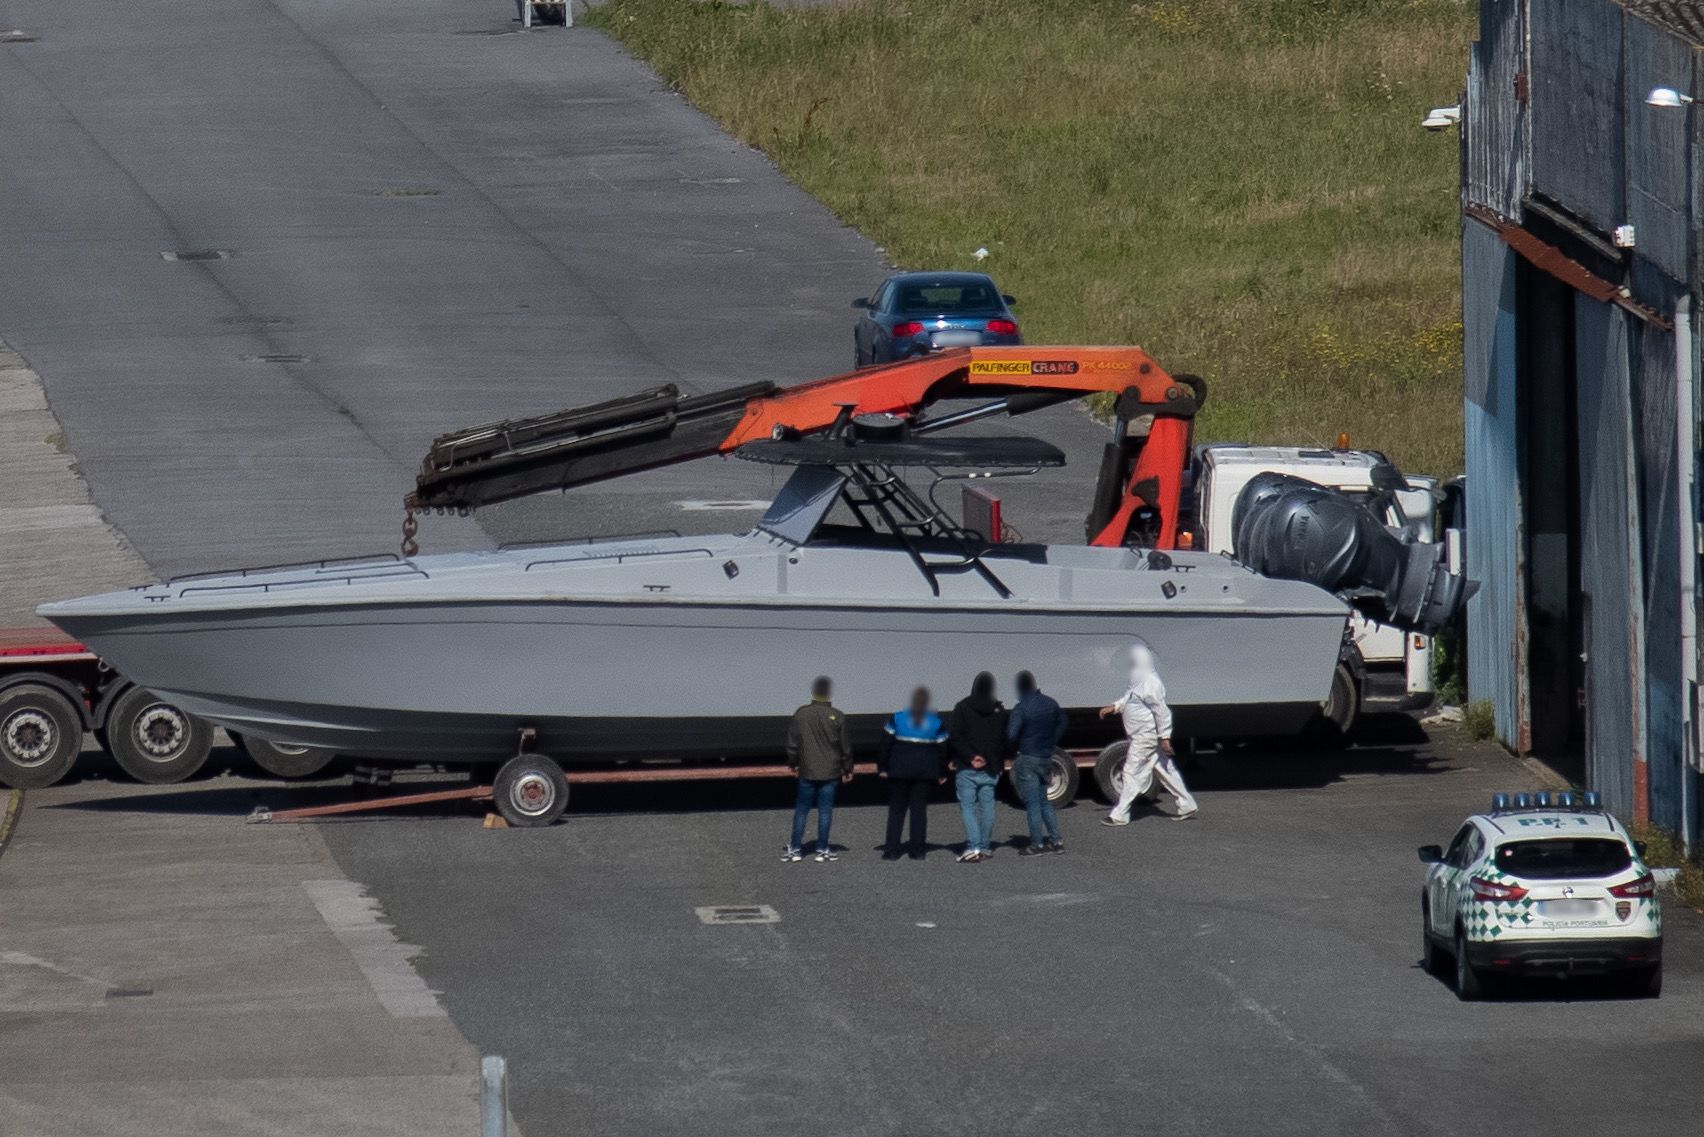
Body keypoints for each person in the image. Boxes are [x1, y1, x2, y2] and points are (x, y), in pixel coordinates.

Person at [1099, 642, 1198, 824]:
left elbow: (1162, 711)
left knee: (1131, 771)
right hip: (1142, 734)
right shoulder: (1139, 680)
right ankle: (1187, 804)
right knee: (1165, 770)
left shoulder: (1151, 683)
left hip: (1146, 736)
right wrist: (1115, 707)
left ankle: (1120, 814)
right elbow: (1130, 698)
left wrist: (1165, 736)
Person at [784, 675, 855, 862]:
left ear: (813, 692)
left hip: (807, 769)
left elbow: (793, 743)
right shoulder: (838, 716)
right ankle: (823, 848)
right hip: (830, 770)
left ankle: (796, 848)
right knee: (825, 811)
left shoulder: (801, 714)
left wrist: (793, 762)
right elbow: (845, 747)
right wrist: (847, 768)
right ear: (830, 694)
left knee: (801, 810)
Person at [878, 686, 949, 860]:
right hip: (925, 772)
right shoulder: (936, 722)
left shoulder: (897, 718)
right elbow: (943, 749)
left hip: (899, 770)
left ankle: (891, 850)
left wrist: (883, 766)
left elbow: (885, 744)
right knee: (918, 811)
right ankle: (917, 851)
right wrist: (943, 771)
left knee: (897, 811)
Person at [947, 672, 1007, 863]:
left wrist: (971, 757)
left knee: (967, 807)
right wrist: (993, 760)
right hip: (991, 768)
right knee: (987, 807)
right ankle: (985, 846)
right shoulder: (999, 710)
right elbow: (1003, 739)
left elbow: (954, 735)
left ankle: (973, 846)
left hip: (967, 766)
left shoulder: (963, 707)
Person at [1007, 670, 1067, 855]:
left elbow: (1011, 734)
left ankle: (1036, 844)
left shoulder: (1021, 707)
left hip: (1028, 756)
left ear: (1020, 687)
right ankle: (1056, 841)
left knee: (1032, 803)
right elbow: (1063, 721)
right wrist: (1052, 740)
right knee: (1044, 801)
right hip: (1046, 756)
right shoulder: (1051, 703)